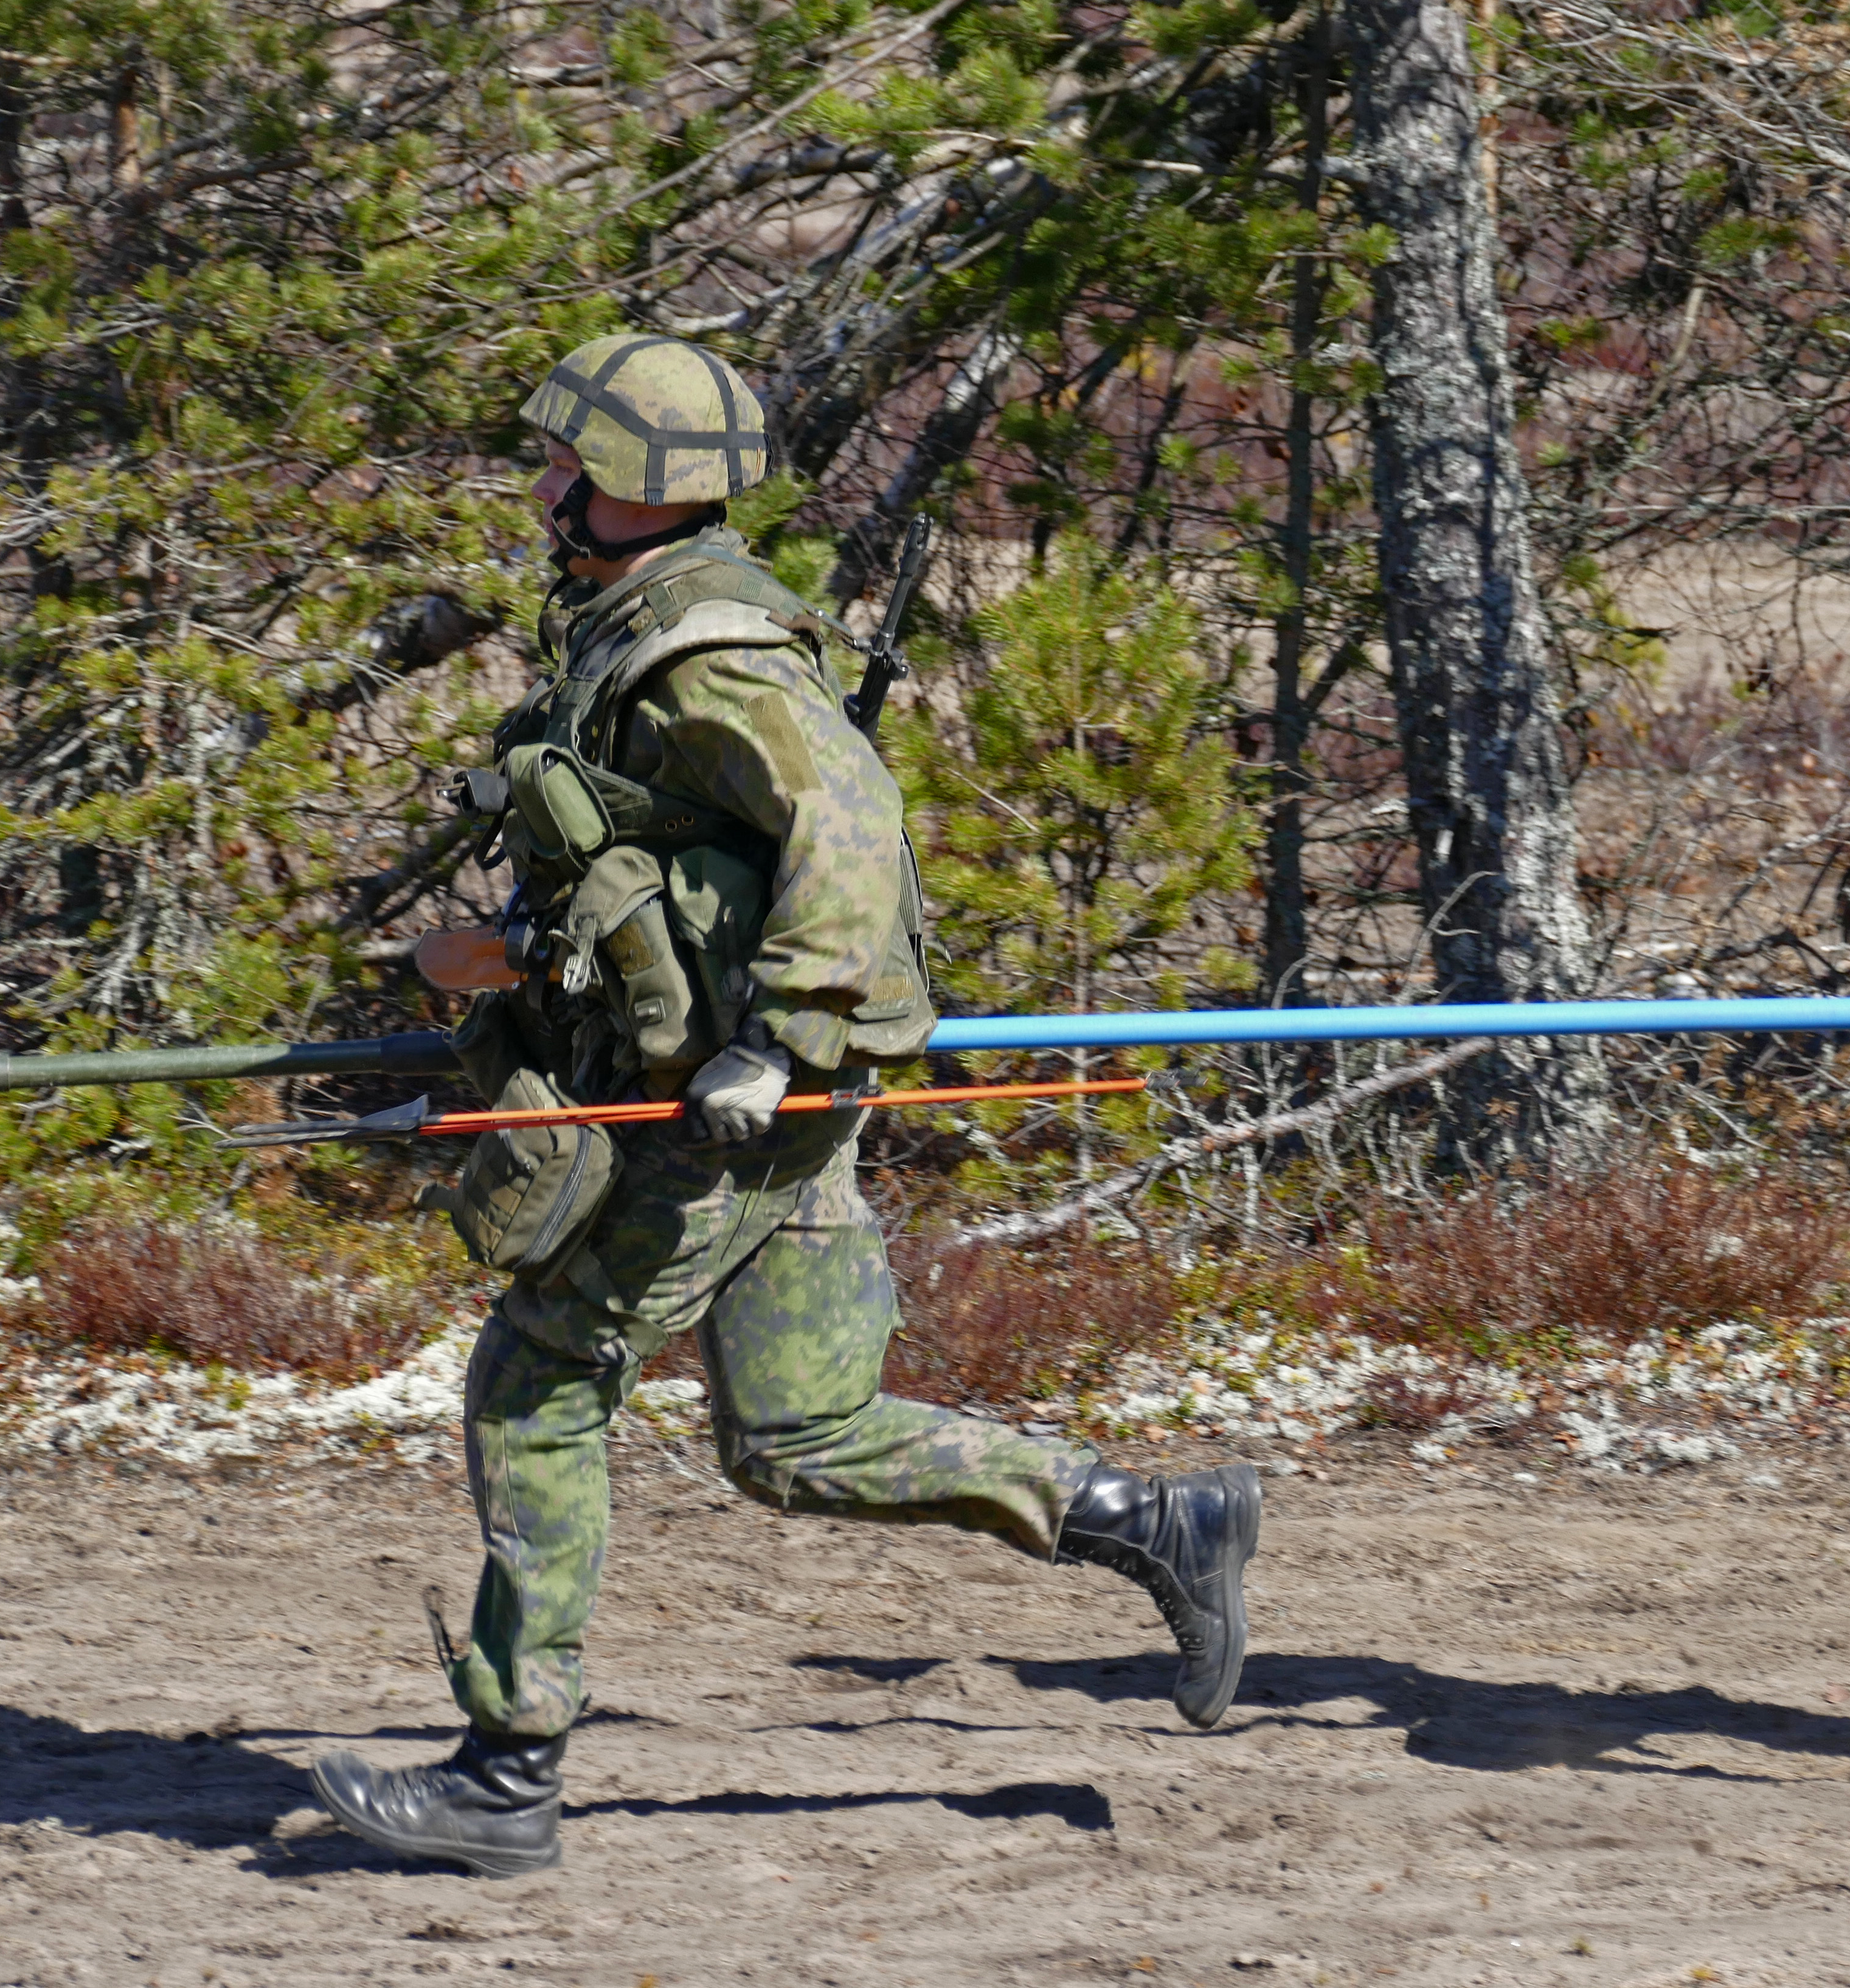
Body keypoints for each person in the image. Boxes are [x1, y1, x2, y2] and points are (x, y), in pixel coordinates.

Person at [312, 333, 1261, 1878]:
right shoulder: (625, 623)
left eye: (579, 467)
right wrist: (503, 955)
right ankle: (1153, 1521)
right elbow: (660, 863)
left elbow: (850, 824)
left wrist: (786, 1034)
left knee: (539, 1381)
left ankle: (508, 1770)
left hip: (732, 1105)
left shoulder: (711, 655)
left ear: (650, 492)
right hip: (739, 1095)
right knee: (796, 1434)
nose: (549, 484)